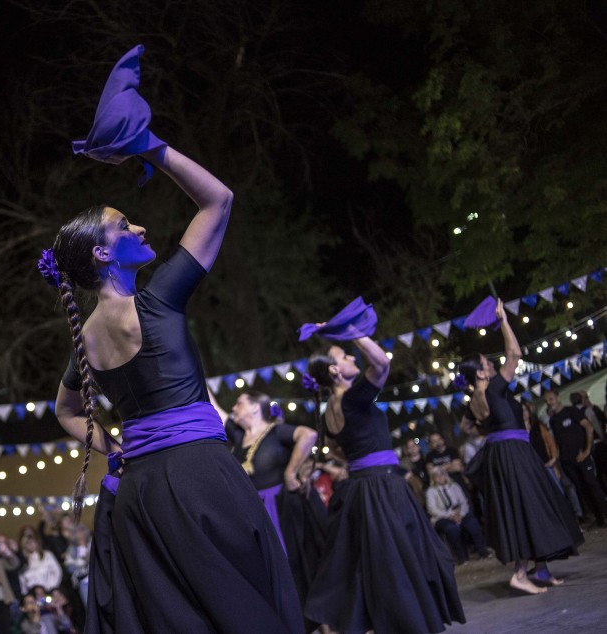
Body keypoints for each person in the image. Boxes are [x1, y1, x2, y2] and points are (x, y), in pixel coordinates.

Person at [43, 46, 301, 634]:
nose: (139, 225)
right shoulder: (155, 302)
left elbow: (64, 408)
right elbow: (219, 199)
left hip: (137, 494)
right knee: (245, 608)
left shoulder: (85, 337)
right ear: (105, 254)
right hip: (197, 478)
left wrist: (114, 446)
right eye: (123, 225)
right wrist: (148, 146)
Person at [303, 331, 464, 633]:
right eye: (345, 355)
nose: (352, 357)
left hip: (365, 488)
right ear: (335, 371)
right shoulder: (351, 399)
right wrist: (355, 332)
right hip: (380, 488)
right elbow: (381, 365)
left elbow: (339, 449)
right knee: (402, 565)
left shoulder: (332, 411)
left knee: (384, 566)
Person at [459, 299, 583, 593]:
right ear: (479, 372)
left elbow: (468, 427)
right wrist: (502, 320)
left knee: (531, 506)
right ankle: (520, 573)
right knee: (525, 507)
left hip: (509, 453)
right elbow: (514, 353)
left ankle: (540, 569)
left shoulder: (474, 400)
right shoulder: (493, 389)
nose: (491, 364)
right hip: (513, 454)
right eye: (487, 363)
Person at [216, 390, 324, 613]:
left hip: (281, 510)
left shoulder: (276, 432)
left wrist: (291, 472)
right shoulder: (237, 435)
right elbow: (215, 408)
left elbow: (309, 435)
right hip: (251, 512)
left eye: (239, 403)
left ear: (256, 407)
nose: (234, 408)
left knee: (293, 567)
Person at [544, 389, 607, 528]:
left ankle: (605, 513)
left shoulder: (571, 411)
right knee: (582, 488)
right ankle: (599, 518)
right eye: (547, 401)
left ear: (558, 398)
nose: (549, 403)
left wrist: (587, 450)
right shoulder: (553, 420)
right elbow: (558, 441)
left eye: (551, 399)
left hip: (582, 457)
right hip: (568, 462)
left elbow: (588, 427)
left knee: (592, 484)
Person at [425, 467, 491, 564]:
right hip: (442, 516)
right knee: (452, 528)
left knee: (472, 523)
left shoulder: (454, 486)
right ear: (433, 478)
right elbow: (432, 509)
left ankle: (482, 551)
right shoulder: (431, 491)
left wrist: (461, 514)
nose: (440, 477)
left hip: (459, 512)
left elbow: (463, 502)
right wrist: (450, 515)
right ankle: (462, 557)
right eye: (436, 475)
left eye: (441, 474)